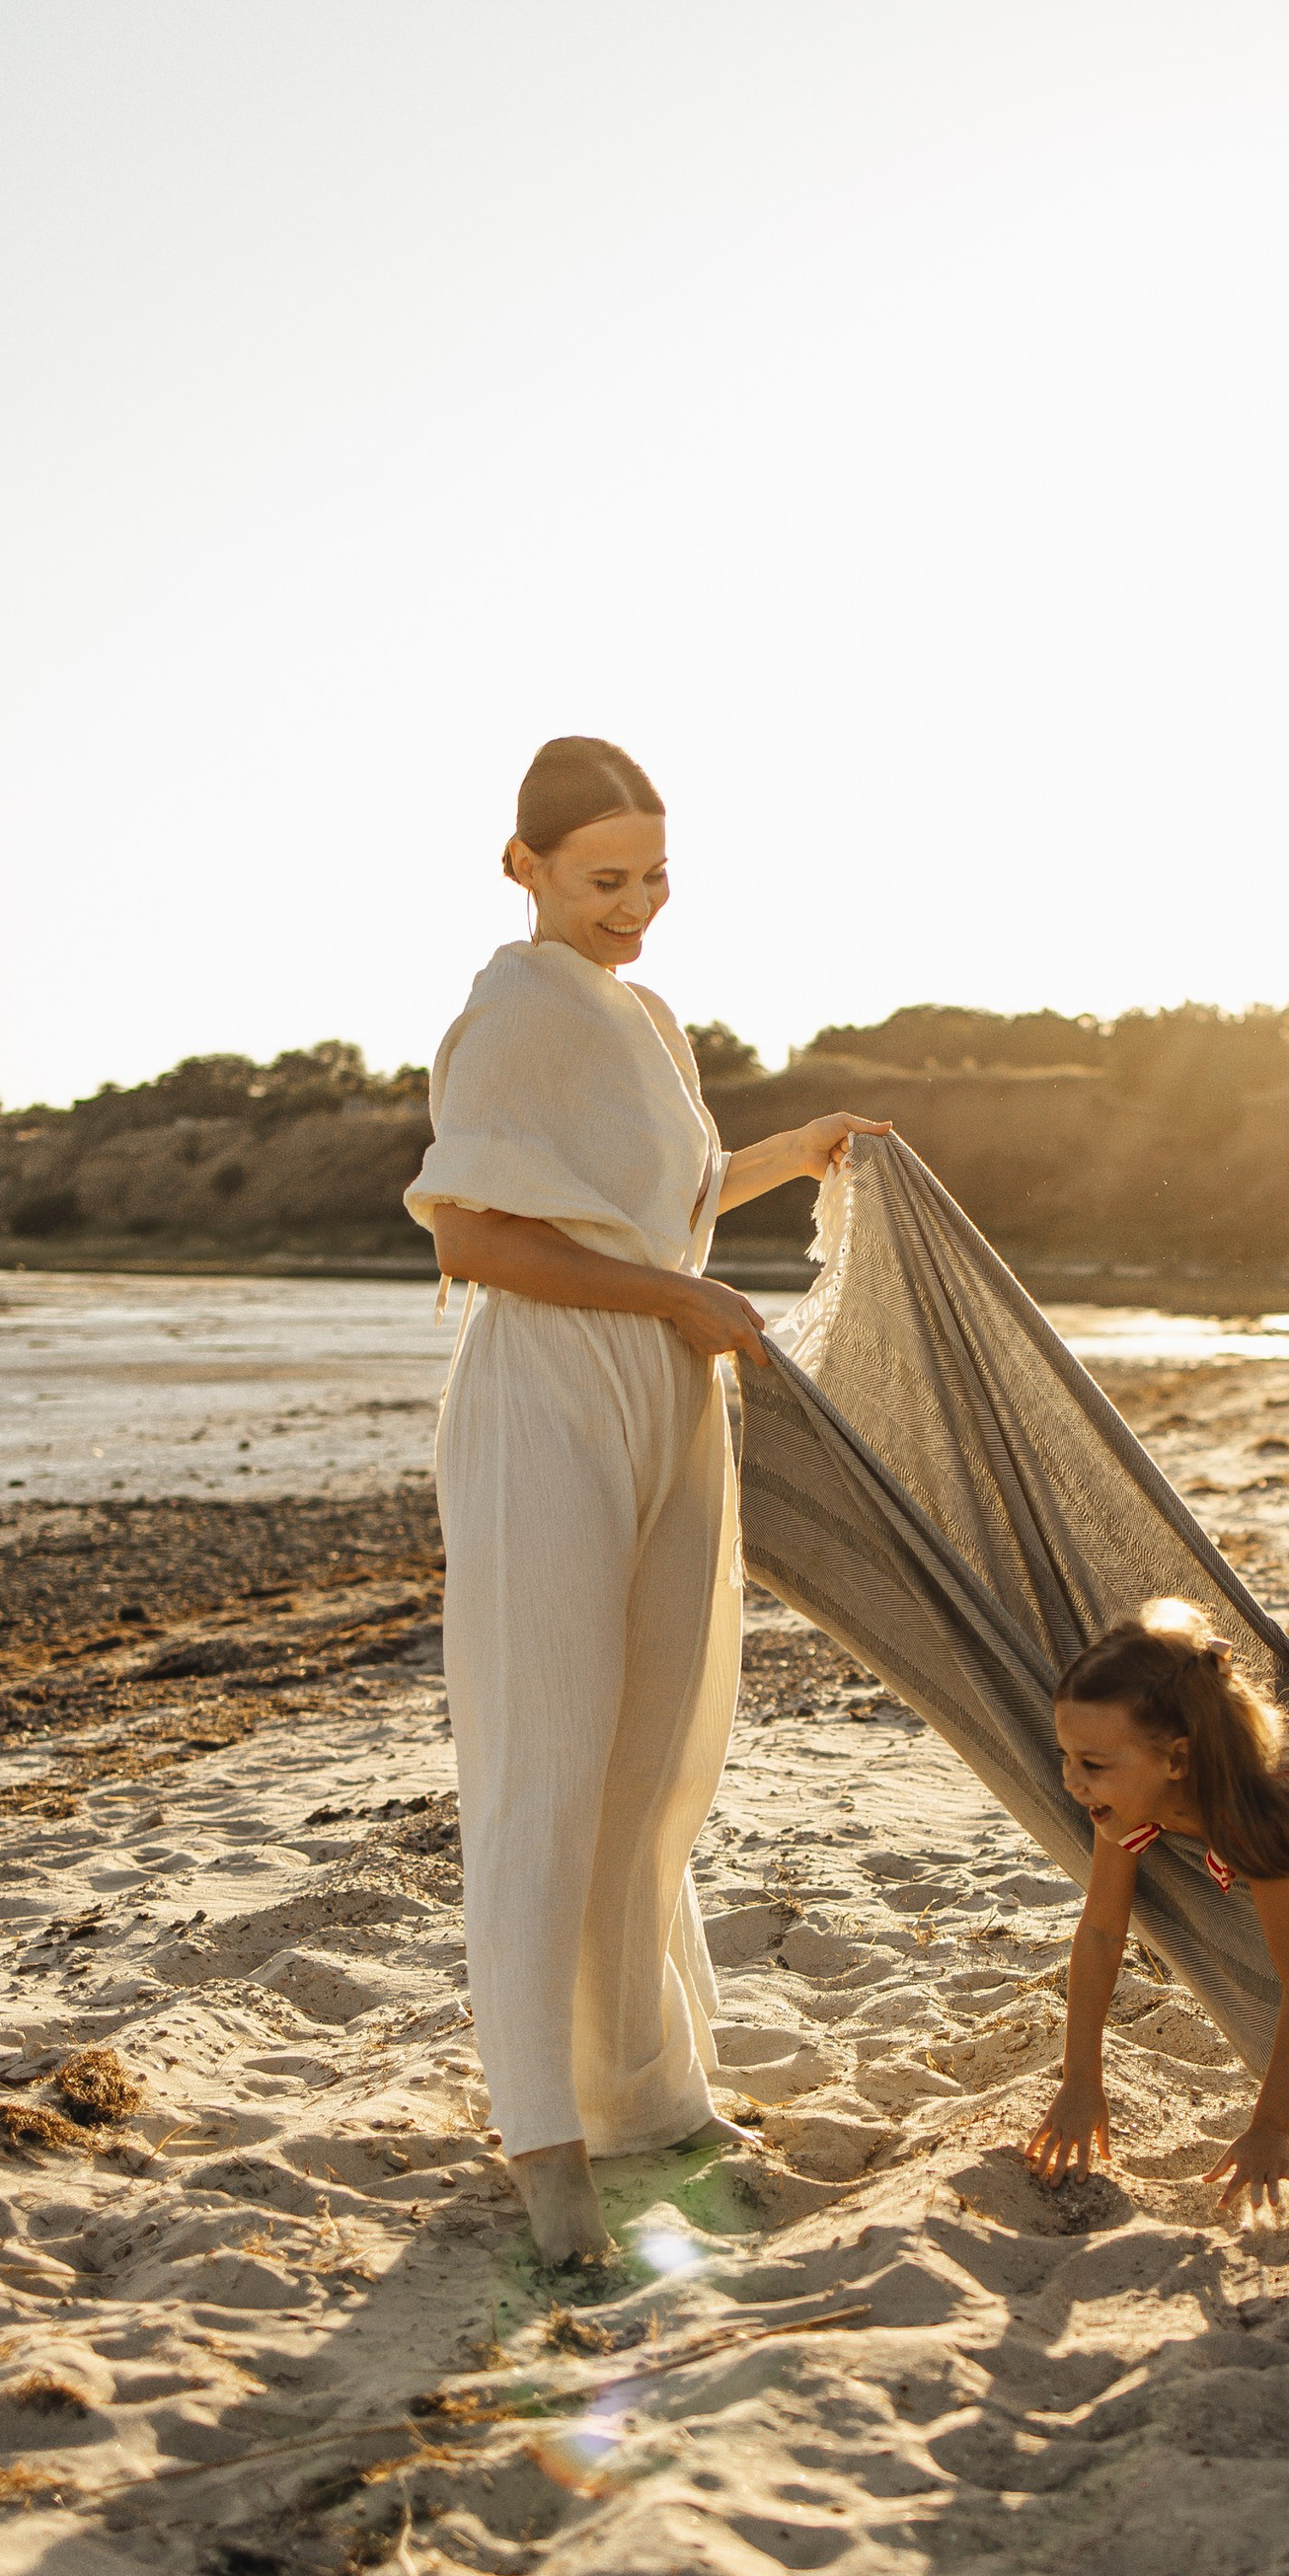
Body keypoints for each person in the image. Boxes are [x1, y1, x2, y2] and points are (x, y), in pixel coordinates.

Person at [406, 734, 886, 2263]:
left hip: (667, 1390)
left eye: (654, 879)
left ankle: (648, 2097)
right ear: (524, 868)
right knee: (547, 1756)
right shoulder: (507, 1013)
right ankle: (546, 2138)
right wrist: (675, 1308)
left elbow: (655, 1214)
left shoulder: (652, 1017)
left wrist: (795, 1153)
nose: (635, 907)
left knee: (656, 1756)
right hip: (545, 1389)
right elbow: (473, 1243)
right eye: (605, 881)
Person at [1025, 1600, 1289, 2229]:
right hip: (1199, 1795)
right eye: (1065, 1757)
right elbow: (1100, 1931)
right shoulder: (1120, 1805)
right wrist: (1080, 2079)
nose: (1072, 1782)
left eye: (1092, 1764)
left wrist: (1270, 2128)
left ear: (1176, 1761)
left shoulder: (1259, 1824)